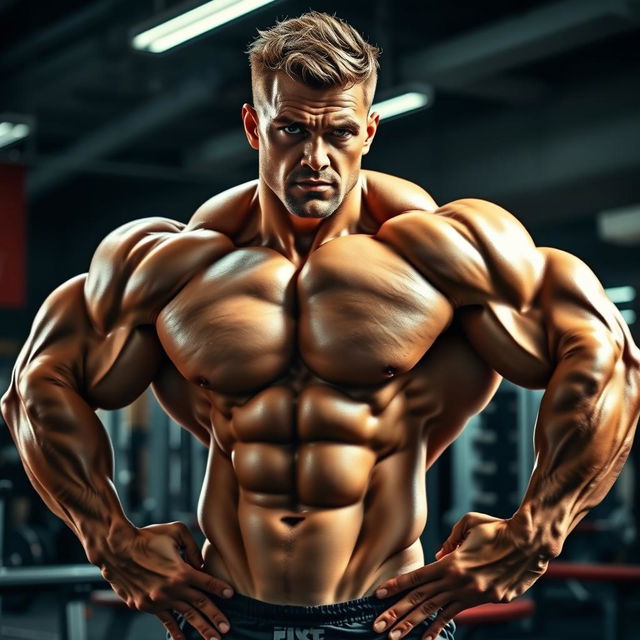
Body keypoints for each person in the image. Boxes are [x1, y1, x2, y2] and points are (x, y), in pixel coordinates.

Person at [2, 10, 640, 640]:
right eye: (290, 131)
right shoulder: (170, 264)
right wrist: (110, 541)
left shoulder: (449, 253)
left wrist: (535, 533)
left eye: (338, 133)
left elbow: (609, 359)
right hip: (225, 613)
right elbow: (35, 387)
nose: (316, 158)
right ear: (254, 126)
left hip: (387, 613)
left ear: (369, 130)